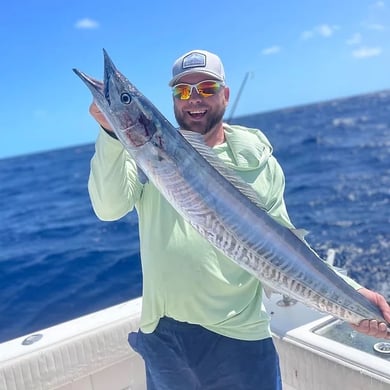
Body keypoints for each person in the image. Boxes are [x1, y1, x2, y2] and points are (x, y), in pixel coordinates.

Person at [87, 49, 390, 389]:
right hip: (165, 335)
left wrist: (354, 298)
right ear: (172, 100)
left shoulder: (260, 165)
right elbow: (108, 208)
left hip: (242, 338)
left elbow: (287, 246)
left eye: (206, 87)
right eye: (183, 91)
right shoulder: (145, 154)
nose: (194, 99)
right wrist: (111, 132)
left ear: (225, 94)